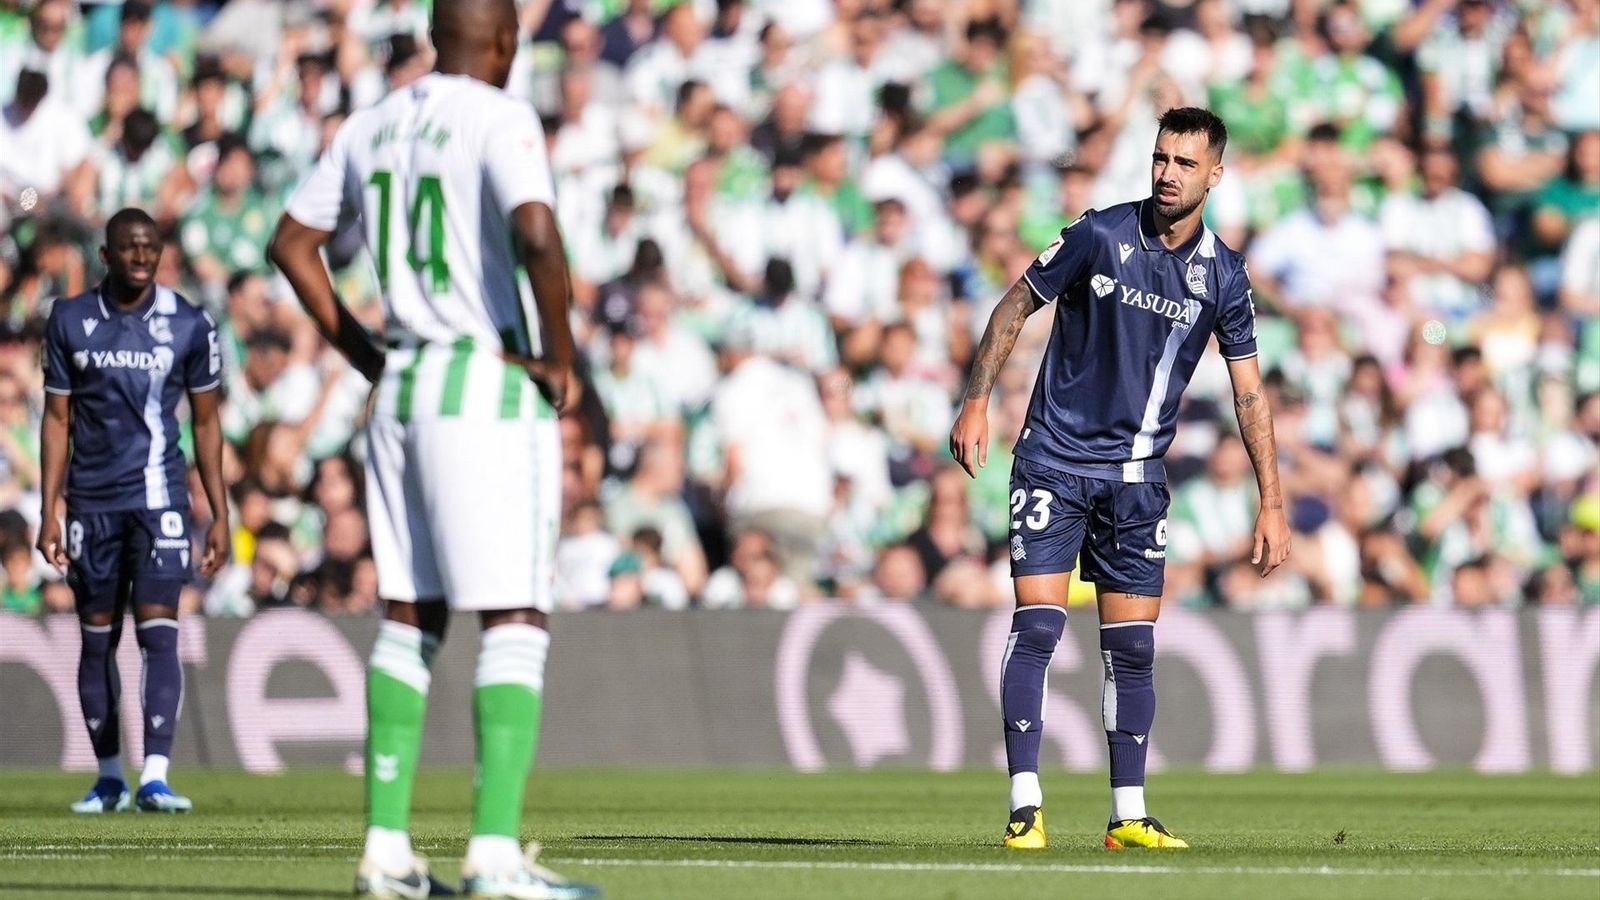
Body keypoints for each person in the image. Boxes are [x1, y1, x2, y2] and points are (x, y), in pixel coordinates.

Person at [267, 1, 600, 897]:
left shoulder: (369, 122)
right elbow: (537, 234)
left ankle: (385, 852)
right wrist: (560, 357)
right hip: (483, 382)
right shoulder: (500, 115)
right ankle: (493, 855)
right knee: (515, 617)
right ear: (503, 41)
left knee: (409, 616)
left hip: (402, 386)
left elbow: (291, 245)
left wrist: (365, 354)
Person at [949, 108, 1290, 851]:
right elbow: (1016, 304)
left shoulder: (1225, 275)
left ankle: (1127, 814)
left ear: (1215, 175)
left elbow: (1250, 394)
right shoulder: (1100, 234)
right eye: (1161, 157)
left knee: (1132, 648)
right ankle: (1025, 806)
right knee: (1039, 626)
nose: (1168, 173)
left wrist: (1271, 499)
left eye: (1186, 163)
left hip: (1137, 481)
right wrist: (976, 399)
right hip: (1054, 459)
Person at [37, 208, 230, 815]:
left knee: (158, 630)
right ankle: (108, 777)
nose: (141, 257)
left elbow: (207, 422)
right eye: (129, 247)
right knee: (97, 639)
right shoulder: (69, 319)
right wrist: (48, 508)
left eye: (150, 247)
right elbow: (57, 419)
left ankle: (156, 776)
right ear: (106, 255)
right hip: (91, 502)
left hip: (159, 499)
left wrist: (220, 512)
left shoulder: (190, 323)